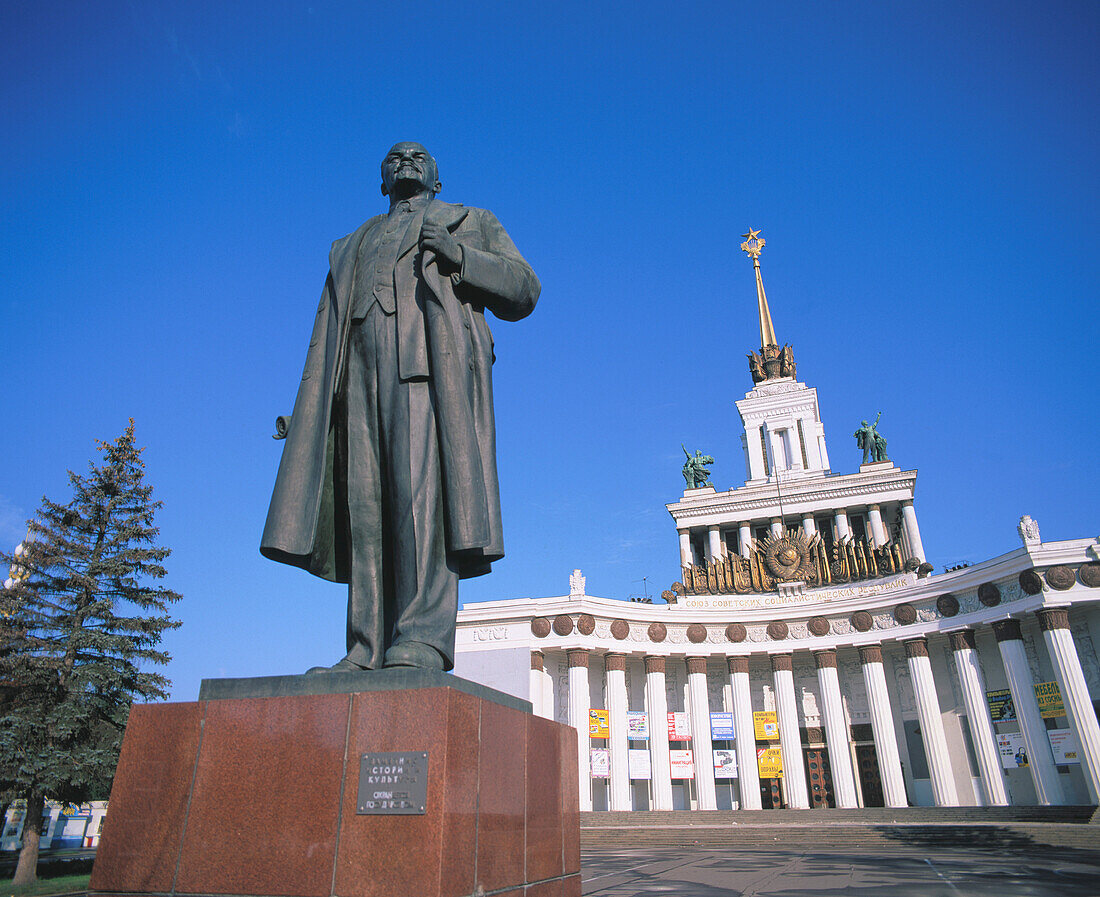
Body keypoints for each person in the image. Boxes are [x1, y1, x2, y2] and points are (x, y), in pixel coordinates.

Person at [261, 142, 540, 672]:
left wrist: (462, 258)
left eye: (419, 156)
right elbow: (326, 337)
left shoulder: (469, 221)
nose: (406, 161)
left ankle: (421, 638)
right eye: (394, 158)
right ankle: (366, 646)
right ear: (380, 180)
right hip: (357, 380)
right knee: (364, 513)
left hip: (427, 371)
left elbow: (525, 289)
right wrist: (312, 414)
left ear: (438, 177)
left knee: (420, 502)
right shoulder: (351, 245)